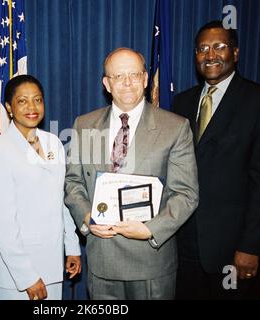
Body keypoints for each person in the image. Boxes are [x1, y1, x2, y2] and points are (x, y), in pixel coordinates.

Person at [64, 48, 199, 300]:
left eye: (134, 75)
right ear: (107, 83)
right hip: (102, 260)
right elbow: (73, 182)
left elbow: (186, 193)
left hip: (151, 261)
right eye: (118, 76)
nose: (127, 83)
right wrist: (86, 216)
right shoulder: (84, 125)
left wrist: (151, 230)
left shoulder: (176, 127)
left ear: (146, 79)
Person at [172, 21, 260, 300]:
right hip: (185, 246)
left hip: (233, 248)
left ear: (235, 53)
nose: (210, 55)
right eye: (202, 49)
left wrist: (250, 246)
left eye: (219, 47)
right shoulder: (181, 103)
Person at [0, 75, 81, 300]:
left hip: (52, 262)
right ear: (8, 107)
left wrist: (72, 246)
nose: (32, 107)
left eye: (37, 100)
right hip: (15, 274)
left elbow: (61, 199)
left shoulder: (53, 143)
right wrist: (26, 276)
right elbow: (3, 223)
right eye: (22, 101)